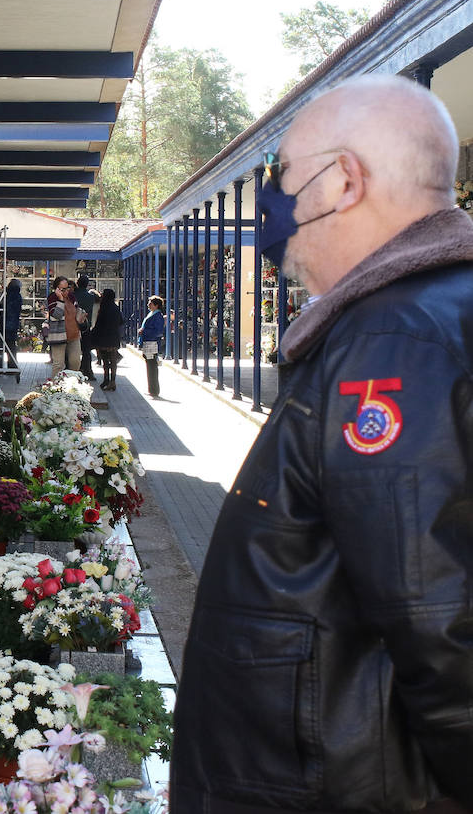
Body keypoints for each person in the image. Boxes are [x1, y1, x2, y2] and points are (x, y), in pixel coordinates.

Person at [172, 74, 473, 814]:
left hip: (332, 781)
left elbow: (439, 622)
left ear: (343, 180)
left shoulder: (392, 342)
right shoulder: (435, 313)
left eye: (283, 180)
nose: (272, 211)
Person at [44, 277, 83, 376]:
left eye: (67, 288)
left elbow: (76, 310)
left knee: (75, 362)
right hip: (58, 335)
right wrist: (61, 300)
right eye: (63, 289)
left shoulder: (72, 297)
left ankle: (72, 386)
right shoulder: (52, 298)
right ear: (56, 289)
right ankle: (55, 388)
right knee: (58, 364)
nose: (66, 291)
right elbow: (56, 315)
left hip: (74, 334)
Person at [87, 288, 122, 390]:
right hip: (114, 337)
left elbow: (99, 324)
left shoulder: (104, 308)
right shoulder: (116, 308)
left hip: (104, 338)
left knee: (106, 361)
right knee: (113, 360)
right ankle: (113, 381)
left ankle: (106, 380)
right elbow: (121, 321)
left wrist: (93, 334)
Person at [137, 295, 166, 398]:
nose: (148, 304)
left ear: (156, 305)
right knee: (150, 366)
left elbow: (157, 331)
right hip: (148, 343)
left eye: (150, 303)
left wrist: (144, 331)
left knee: (152, 366)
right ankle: (151, 388)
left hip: (152, 343)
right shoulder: (152, 314)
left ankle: (154, 390)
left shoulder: (157, 316)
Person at [74, 275, 98, 380]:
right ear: (87, 284)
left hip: (72, 325)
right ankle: (87, 370)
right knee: (86, 350)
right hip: (86, 326)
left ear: (77, 283)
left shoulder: (72, 295)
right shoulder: (90, 297)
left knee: (72, 349)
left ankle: (73, 370)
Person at [0, 276, 23, 366]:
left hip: (2, 323)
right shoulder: (18, 297)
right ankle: (12, 366)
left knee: (0, 346)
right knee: (11, 347)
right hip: (12, 324)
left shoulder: (6, 296)